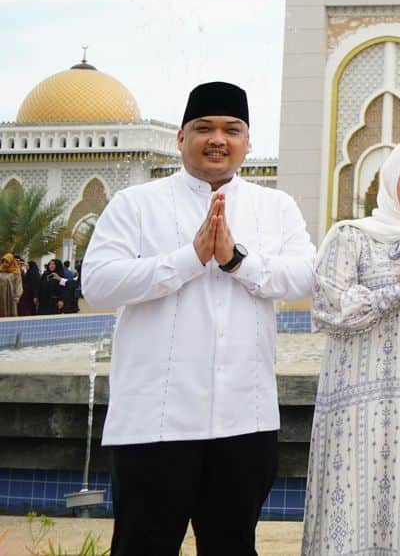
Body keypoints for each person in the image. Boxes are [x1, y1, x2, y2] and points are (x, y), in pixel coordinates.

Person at [81, 81, 317, 556]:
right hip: (155, 421)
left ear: (247, 142)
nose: (218, 139)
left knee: (231, 546)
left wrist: (237, 262)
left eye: (232, 129)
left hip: (244, 420)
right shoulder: (136, 204)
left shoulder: (276, 207)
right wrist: (187, 260)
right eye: (203, 128)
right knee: (143, 546)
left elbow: (307, 279)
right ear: (180, 137)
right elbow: (99, 283)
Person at [302, 137, 400, 555]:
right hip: (361, 406)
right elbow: (329, 309)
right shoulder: (350, 237)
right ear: (388, 177)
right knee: (356, 503)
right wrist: (396, 291)